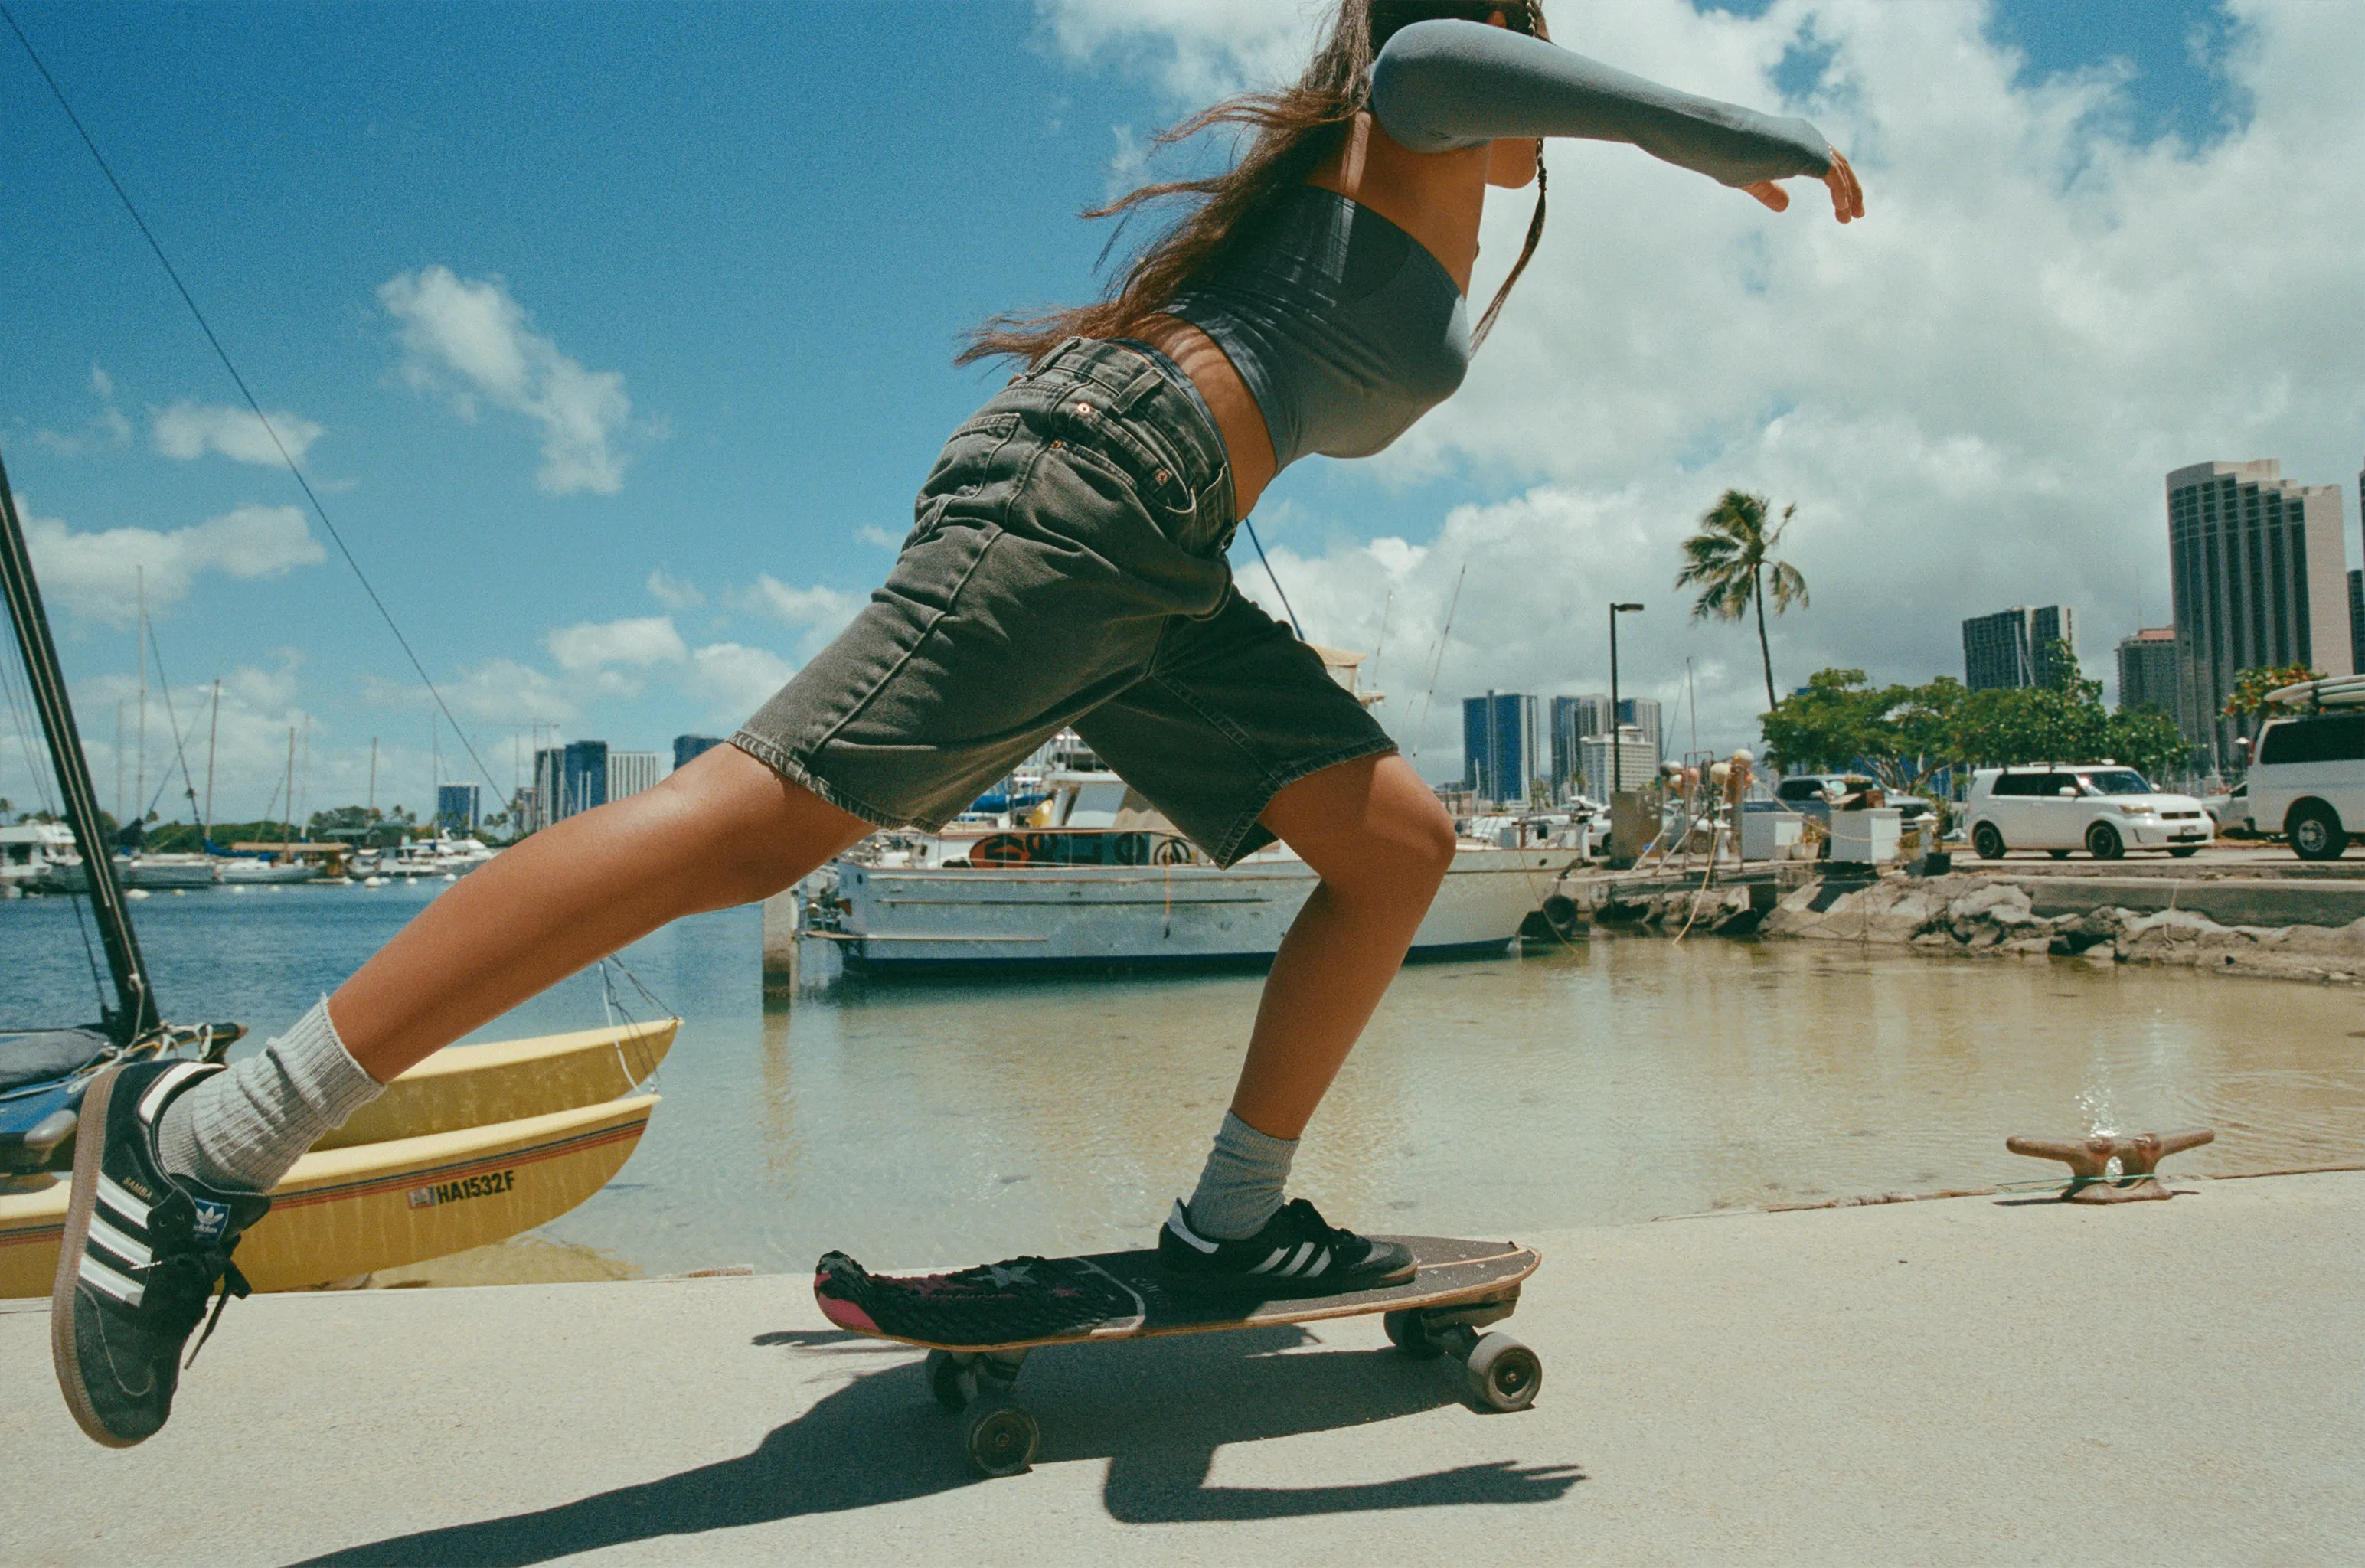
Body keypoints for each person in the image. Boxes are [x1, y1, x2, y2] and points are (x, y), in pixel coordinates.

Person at [51, 0, 1863, 1447]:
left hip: (1160, 555)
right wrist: (1724, 129)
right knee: (749, 829)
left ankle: (1234, 1223)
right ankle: (211, 1137)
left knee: (1395, 843)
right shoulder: (1416, 88)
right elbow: (1437, 50)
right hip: (1096, 495)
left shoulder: (1416, 181)